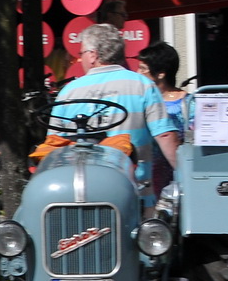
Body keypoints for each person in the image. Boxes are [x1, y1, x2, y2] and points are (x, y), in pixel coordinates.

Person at [47, 23, 181, 190]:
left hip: (79, 191)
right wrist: (186, 178)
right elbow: (165, 135)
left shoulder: (68, 92)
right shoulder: (143, 86)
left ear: (93, 55)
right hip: (133, 191)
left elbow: (53, 146)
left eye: (81, 53)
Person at [135, 43, 192, 194]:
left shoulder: (189, 104)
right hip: (145, 177)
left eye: (142, 69)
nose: (137, 73)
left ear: (161, 73)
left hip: (176, 178)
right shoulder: (140, 100)